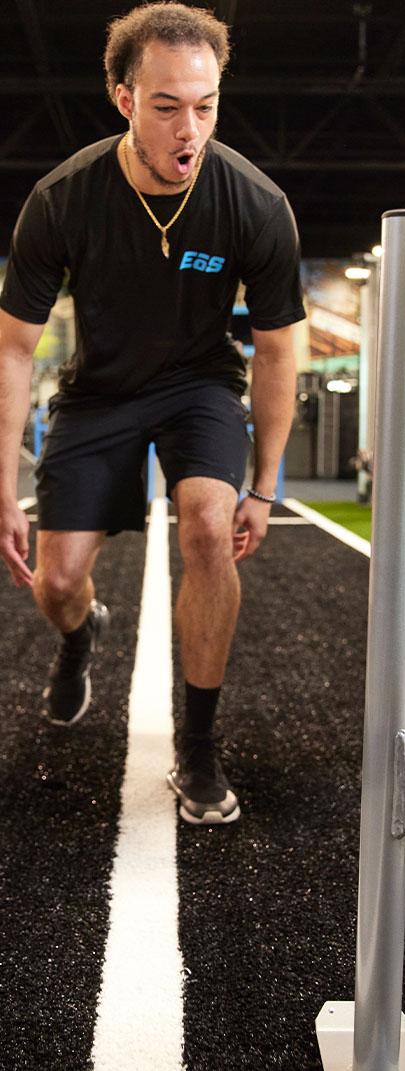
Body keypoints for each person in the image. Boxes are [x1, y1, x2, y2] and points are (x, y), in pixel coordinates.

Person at [0, 3, 305, 823]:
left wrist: (265, 485)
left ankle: (197, 748)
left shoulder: (256, 204)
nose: (189, 128)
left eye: (204, 106)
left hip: (201, 387)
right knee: (57, 581)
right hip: (98, 392)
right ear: (123, 97)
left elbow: (279, 351)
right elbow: (14, 350)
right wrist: (2, 488)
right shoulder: (61, 200)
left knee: (207, 526)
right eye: (167, 105)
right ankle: (80, 632)